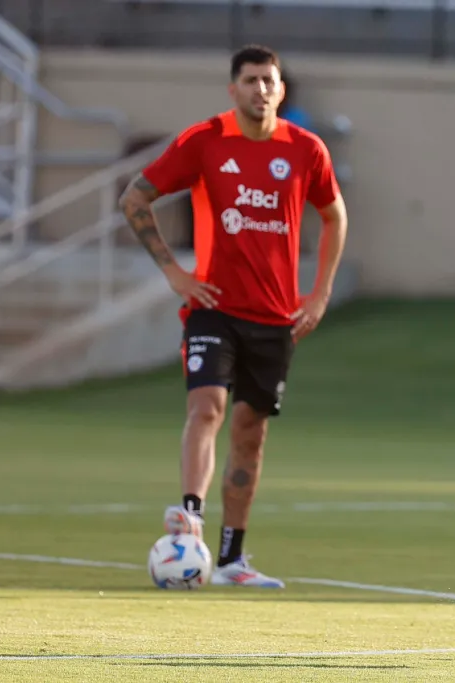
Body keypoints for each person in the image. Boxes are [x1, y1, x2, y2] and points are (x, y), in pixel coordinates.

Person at [119, 44, 348, 588]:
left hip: (274, 317)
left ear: (281, 89)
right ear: (233, 88)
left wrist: (318, 296)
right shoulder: (205, 140)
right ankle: (189, 518)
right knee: (207, 407)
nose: (260, 89)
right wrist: (175, 272)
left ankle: (231, 561)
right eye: (250, 80)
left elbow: (334, 216)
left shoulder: (305, 149)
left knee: (250, 433)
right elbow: (135, 198)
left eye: (269, 80)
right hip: (212, 308)